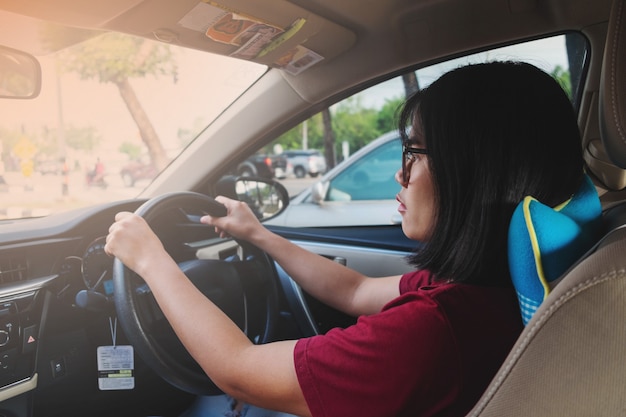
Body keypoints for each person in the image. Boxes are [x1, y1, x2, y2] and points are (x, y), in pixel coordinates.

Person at [105, 61, 586, 416]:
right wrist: (260, 234)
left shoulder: (430, 333)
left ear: (478, 173)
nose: (400, 174)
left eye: (415, 154)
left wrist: (151, 260)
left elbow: (237, 370)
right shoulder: (478, 291)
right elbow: (355, 291)